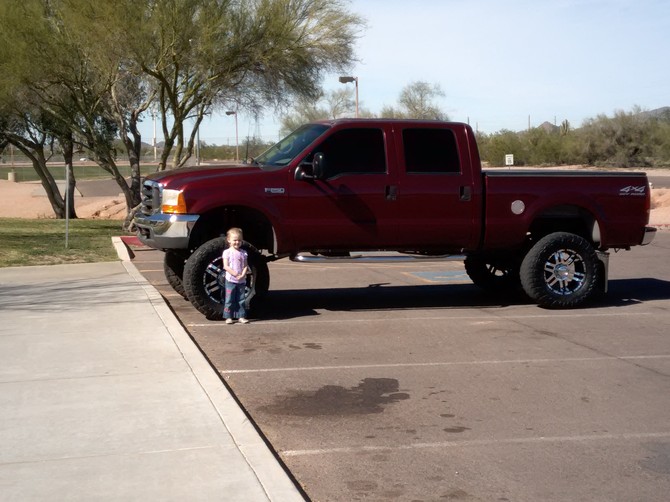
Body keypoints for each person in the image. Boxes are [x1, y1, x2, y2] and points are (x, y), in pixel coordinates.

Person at [222, 227, 249, 324]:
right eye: (235, 240)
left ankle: (241, 316)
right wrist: (235, 274)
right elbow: (226, 266)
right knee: (229, 299)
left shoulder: (243, 253)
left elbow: (245, 265)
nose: (237, 242)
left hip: (241, 281)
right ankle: (228, 317)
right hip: (230, 280)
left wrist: (242, 274)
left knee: (241, 299)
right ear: (229, 240)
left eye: (239, 240)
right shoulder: (227, 252)